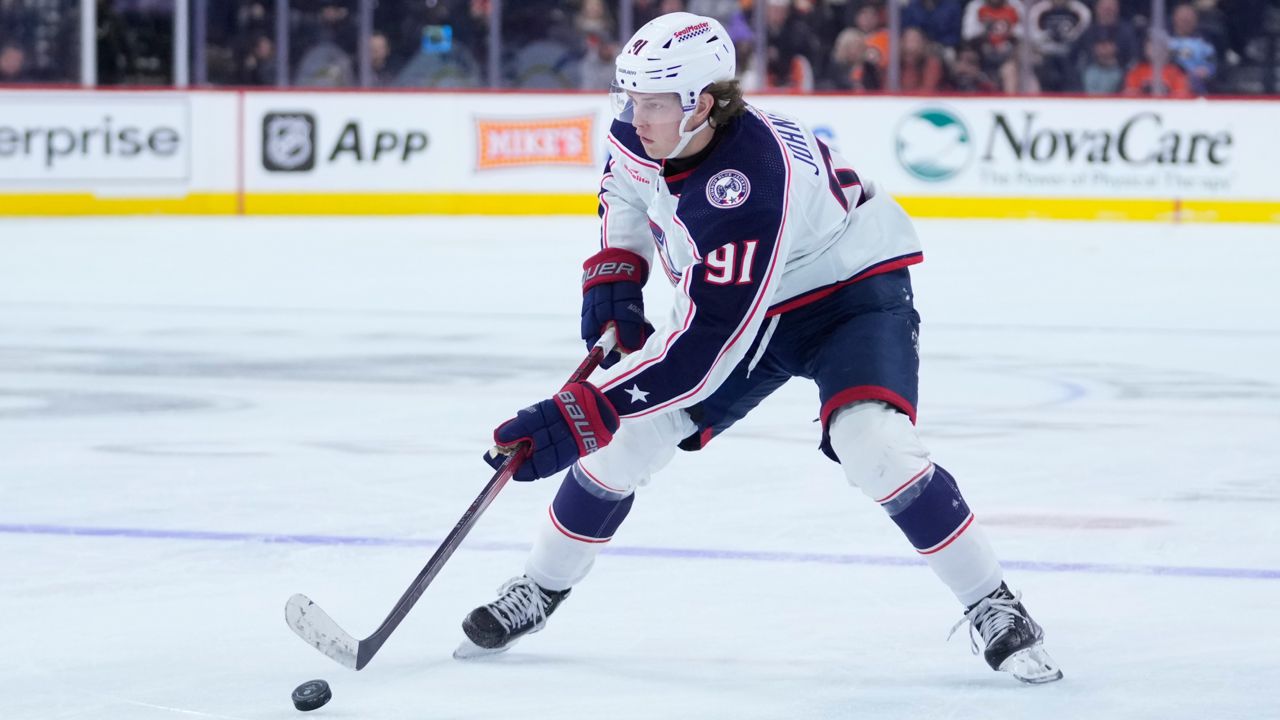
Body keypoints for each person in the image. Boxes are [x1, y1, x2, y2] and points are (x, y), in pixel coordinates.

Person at [457, 11, 1063, 685]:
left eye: (653, 103)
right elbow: (624, 186)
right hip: (747, 294)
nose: (634, 116)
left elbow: (701, 352)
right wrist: (616, 275)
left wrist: (581, 410)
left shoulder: (751, 184)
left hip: (846, 294)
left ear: (702, 105)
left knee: (874, 445)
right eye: (629, 97)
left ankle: (992, 601)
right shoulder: (644, 126)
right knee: (624, 443)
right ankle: (540, 586)